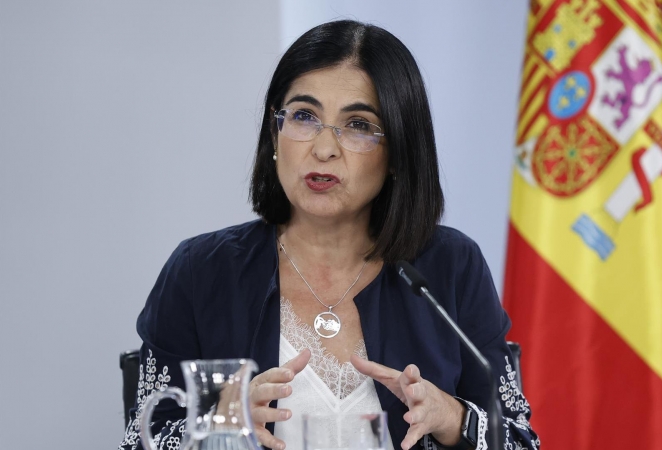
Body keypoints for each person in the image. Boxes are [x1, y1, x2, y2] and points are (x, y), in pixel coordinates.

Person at [119, 20, 540, 450]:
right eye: (304, 116)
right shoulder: (200, 272)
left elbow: (523, 440)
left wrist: (453, 419)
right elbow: (139, 441)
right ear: (275, 134)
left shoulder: (451, 267)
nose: (323, 148)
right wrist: (222, 423)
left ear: (398, 152)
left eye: (358, 125)